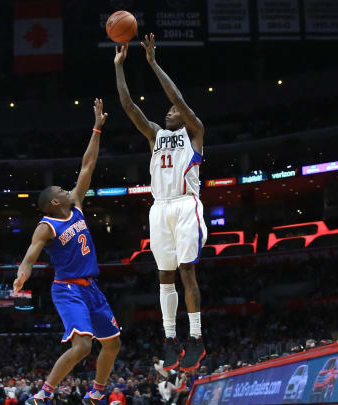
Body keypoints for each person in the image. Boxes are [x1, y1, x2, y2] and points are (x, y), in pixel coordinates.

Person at [14, 99, 121, 405]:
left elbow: (88, 165)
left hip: (92, 288)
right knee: (84, 346)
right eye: (61, 191)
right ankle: (44, 393)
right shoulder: (46, 226)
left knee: (113, 344)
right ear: (55, 203)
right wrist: (22, 275)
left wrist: (97, 128)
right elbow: (31, 253)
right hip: (68, 289)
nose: (67, 190)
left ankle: (96, 391)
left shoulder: (75, 205)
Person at [114, 34, 207, 373]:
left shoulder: (194, 131)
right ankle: (171, 340)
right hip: (159, 208)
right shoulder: (155, 134)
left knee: (187, 270)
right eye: (167, 110)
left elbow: (177, 97)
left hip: (185, 205)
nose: (169, 111)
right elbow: (128, 106)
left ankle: (196, 337)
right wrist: (120, 67)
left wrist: (153, 64)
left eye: (173, 110)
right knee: (164, 276)